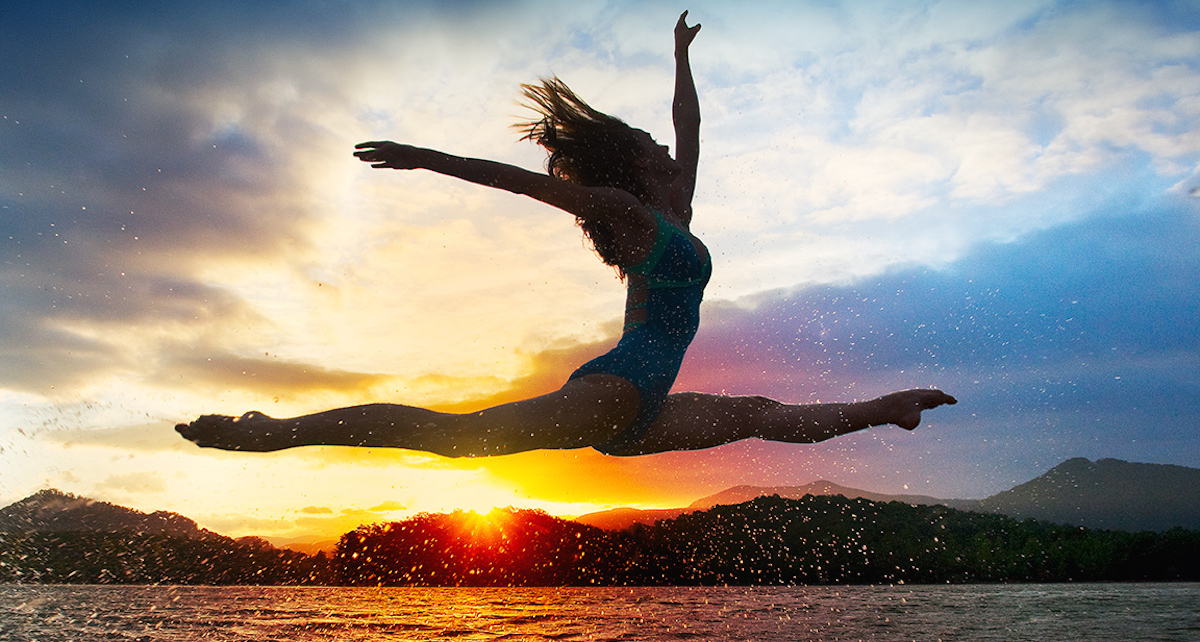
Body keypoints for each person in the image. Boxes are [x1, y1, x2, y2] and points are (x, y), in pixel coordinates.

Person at [176, 12, 955, 458]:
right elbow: (519, 182)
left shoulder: (674, 205)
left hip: (645, 406)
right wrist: (425, 158)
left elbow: (690, 125)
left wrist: (679, 57)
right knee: (459, 439)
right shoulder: (627, 208)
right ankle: (273, 434)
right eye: (650, 142)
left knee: (764, 415)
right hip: (616, 389)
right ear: (632, 164)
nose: (665, 146)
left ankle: (891, 407)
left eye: (659, 143)